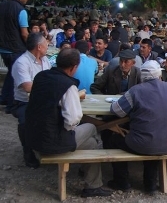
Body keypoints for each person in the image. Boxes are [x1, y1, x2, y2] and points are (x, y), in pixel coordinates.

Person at [25, 48, 112, 198]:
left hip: (34, 137)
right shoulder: (68, 86)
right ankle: (91, 183)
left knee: (90, 144)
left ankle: (93, 185)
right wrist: (68, 131)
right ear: (74, 67)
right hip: (51, 142)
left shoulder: (41, 77)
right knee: (92, 127)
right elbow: (73, 119)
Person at [104, 60, 167, 195]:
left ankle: (122, 181)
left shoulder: (136, 90)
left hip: (144, 143)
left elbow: (117, 111)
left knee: (114, 140)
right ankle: (150, 185)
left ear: (141, 77)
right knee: (153, 134)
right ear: (158, 75)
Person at [11, 32, 51, 167]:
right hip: (25, 102)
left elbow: (50, 79)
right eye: (46, 44)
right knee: (25, 122)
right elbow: (28, 87)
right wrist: (47, 85)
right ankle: (28, 152)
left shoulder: (45, 60)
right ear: (39, 47)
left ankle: (49, 147)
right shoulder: (21, 62)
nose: (48, 45)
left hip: (43, 100)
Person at [0, 0, 30, 113]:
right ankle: (11, 105)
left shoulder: (2, 5)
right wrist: (30, 45)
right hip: (15, 48)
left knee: (11, 74)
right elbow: (24, 33)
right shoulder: (21, 10)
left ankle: (4, 98)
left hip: (2, 48)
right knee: (16, 76)